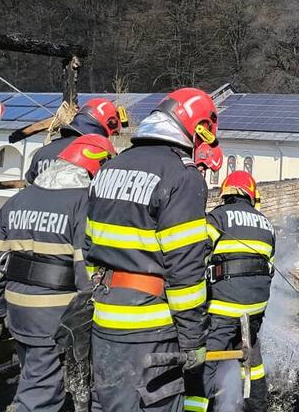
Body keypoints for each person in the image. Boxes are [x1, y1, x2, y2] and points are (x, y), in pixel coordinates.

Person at [84, 88, 218, 412]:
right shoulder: (182, 176)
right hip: (151, 327)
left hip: (104, 319)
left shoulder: (109, 168)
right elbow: (185, 272)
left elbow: (88, 246)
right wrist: (192, 339)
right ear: (197, 127)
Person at [0, 134, 116, 412]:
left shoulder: (19, 199)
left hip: (17, 311)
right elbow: (84, 268)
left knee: (31, 377)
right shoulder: (82, 203)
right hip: (54, 316)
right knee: (41, 395)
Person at [186, 170, 275, 412]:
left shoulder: (217, 218)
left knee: (206, 358)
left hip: (224, 306)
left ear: (225, 193)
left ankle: (194, 407)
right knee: (252, 356)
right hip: (255, 308)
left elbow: (194, 256)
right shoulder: (267, 223)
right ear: (252, 196)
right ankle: (257, 407)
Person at [25, 98, 124, 184]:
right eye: (110, 135)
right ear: (109, 124)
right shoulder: (98, 157)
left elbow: (29, 187)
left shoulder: (43, 152)